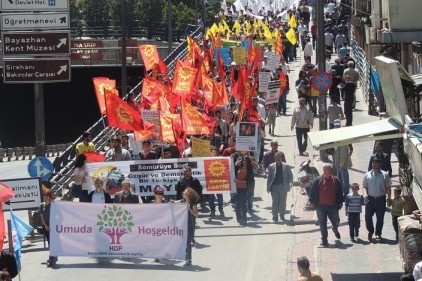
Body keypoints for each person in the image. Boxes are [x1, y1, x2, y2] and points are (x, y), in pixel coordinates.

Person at [309, 164, 343, 246]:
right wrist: (311, 202)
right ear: (324, 171)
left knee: (336, 221)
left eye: (331, 169)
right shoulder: (318, 180)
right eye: (329, 169)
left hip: (333, 206)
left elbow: (340, 192)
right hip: (321, 206)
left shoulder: (336, 180)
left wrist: (341, 202)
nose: (331, 170)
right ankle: (324, 240)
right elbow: (312, 191)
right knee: (322, 223)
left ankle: (335, 229)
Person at [363, 157, 391, 241]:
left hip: (380, 199)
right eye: (373, 163)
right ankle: (370, 231)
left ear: (380, 164)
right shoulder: (367, 175)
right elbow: (364, 186)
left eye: (376, 163)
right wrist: (365, 194)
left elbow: (388, 187)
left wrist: (389, 198)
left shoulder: (385, 175)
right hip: (370, 199)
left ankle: (378, 233)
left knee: (380, 217)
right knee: (367, 216)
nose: (374, 164)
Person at [266, 152, 293, 222]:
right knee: (275, 201)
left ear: (281, 158)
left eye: (279, 157)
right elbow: (269, 177)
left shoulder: (286, 166)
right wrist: (268, 188)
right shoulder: (271, 166)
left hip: (283, 186)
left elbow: (290, 175)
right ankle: (275, 216)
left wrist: (290, 183)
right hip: (274, 187)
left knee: (283, 202)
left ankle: (282, 215)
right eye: (276, 158)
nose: (278, 159)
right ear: (275, 158)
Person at [235, 153, 259, 225]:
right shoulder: (239, 166)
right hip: (238, 187)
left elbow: (257, 167)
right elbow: (235, 165)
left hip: (245, 187)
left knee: (243, 203)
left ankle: (244, 218)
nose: (245, 161)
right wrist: (242, 159)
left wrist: (250, 159)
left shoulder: (249, 167)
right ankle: (238, 217)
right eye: (243, 160)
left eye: (246, 160)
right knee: (238, 203)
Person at [332, 119, 353, 198]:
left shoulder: (342, 136)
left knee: (345, 180)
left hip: (342, 164)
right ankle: (340, 194)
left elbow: (344, 153)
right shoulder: (336, 135)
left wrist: (340, 164)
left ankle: (345, 194)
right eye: (335, 126)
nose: (336, 127)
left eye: (337, 126)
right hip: (338, 162)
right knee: (339, 179)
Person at [40, 189, 58, 266]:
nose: (46, 197)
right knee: (49, 242)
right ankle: (53, 256)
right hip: (46, 226)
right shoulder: (42, 206)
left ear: (50, 197)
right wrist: (46, 226)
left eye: (47, 196)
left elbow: (59, 215)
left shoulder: (54, 205)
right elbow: (42, 217)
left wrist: (54, 223)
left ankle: (52, 257)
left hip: (53, 225)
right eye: (45, 196)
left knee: (52, 242)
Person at [181, 187, 199, 267]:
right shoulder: (183, 201)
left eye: (185, 192)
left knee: (187, 242)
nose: (183, 193)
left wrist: (189, 209)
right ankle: (186, 257)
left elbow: (196, 214)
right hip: (183, 225)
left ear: (188, 194)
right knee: (184, 242)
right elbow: (175, 202)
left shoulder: (193, 204)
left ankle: (189, 259)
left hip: (190, 226)